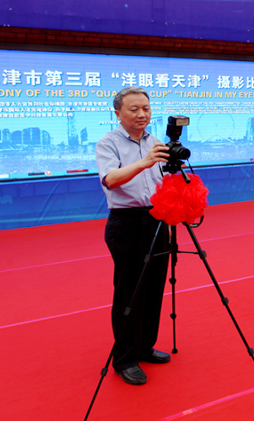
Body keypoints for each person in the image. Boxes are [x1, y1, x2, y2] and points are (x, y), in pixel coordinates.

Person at [95, 86, 172, 385]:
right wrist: (145, 162)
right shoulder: (108, 143)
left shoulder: (156, 142)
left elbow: (165, 182)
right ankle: (124, 359)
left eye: (146, 109)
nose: (142, 114)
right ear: (118, 113)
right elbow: (111, 180)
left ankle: (144, 347)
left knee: (154, 288)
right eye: (134, 109)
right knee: (130, 291)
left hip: (157, 219)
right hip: (126, 223)